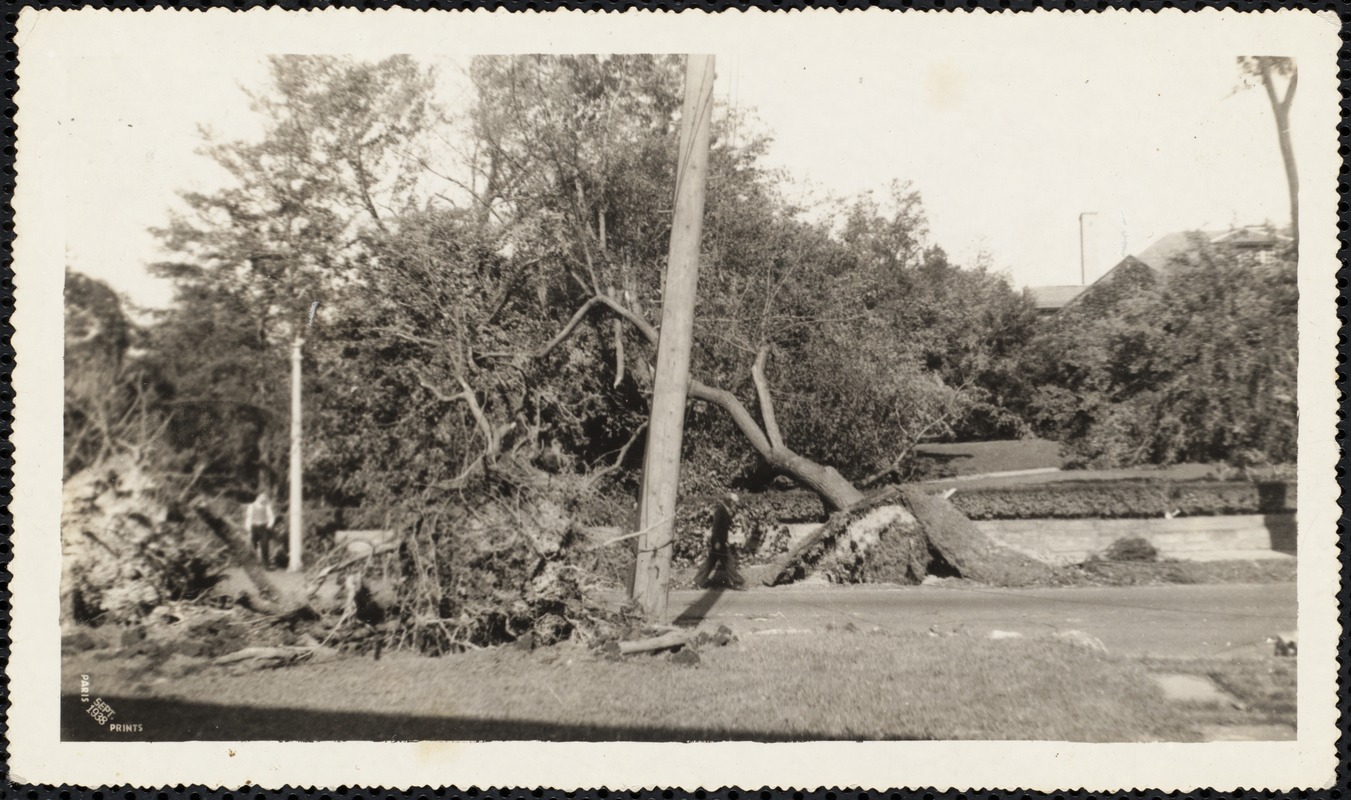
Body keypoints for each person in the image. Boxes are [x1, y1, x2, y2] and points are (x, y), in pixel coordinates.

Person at [693, 492, 745, 590]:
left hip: (720, 542)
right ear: (729, 501)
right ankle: (738, 582)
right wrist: (717, 542)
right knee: (728, 561)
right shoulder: (720, 511)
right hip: (718, 542)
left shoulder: (724, 510)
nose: (734, 504)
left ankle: (698, 580)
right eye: (733, 502)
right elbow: (715, 528)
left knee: (711, 561)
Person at [245, 490, 278, 569]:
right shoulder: (251, 506)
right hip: (254, 527)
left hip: (263, 527)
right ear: (258, 497)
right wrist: (248, 527)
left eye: (264, 497)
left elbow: (271, 517)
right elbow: (249, 517)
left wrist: (269, 525)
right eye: (262, 497)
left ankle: (266, 564)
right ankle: (253, 563)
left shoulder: (266, 506)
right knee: (253, 545)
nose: (263, 498)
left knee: (264, 545)